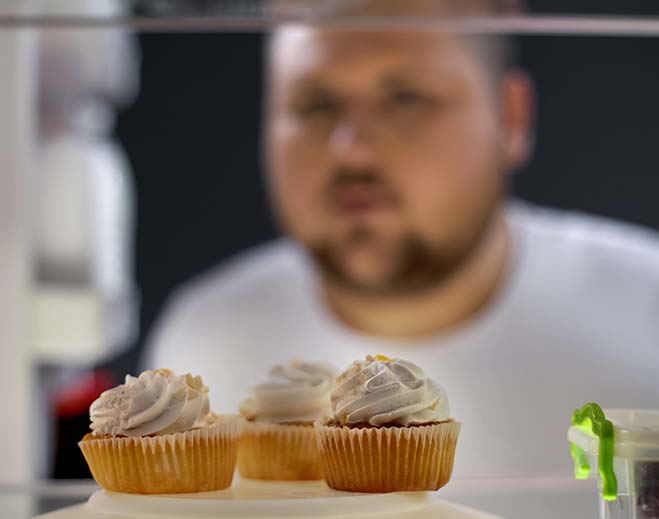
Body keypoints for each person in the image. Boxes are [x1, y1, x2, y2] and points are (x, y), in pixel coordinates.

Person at [144, 1, 659, 478]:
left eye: (404, 97)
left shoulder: (646, 310)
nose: (353, 150)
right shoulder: (204, 343)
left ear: (511, 117)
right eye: (315, 102)